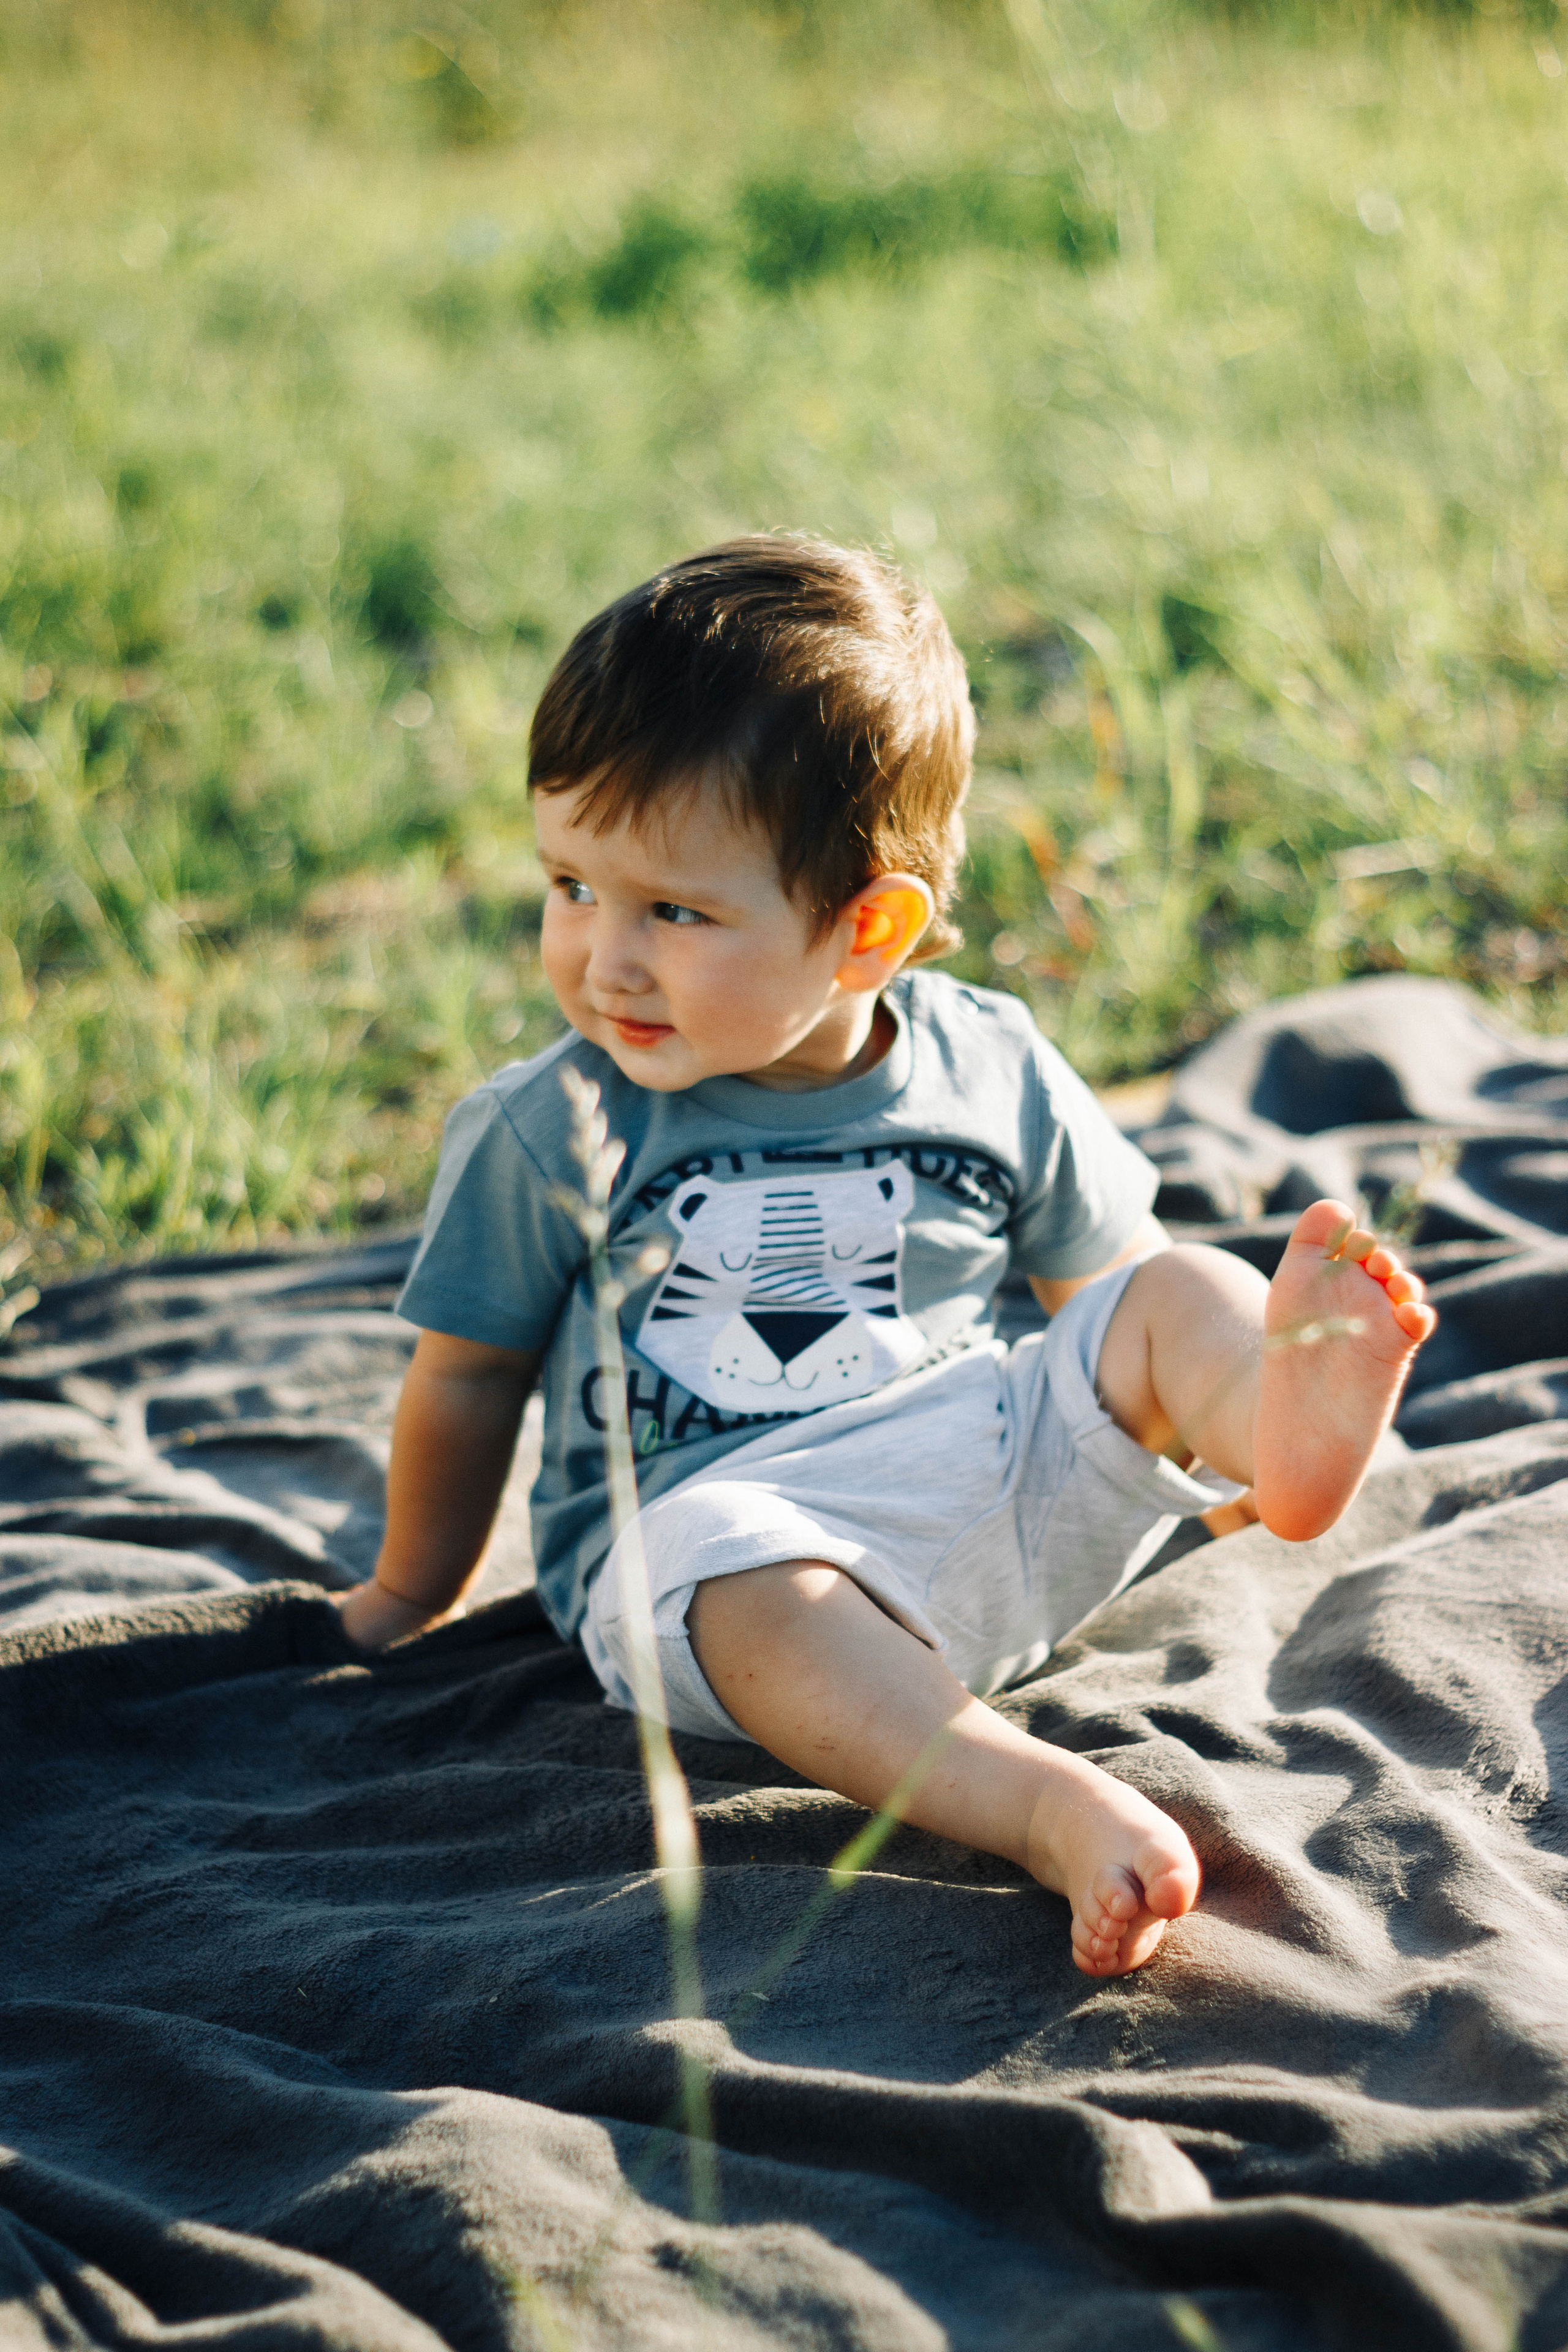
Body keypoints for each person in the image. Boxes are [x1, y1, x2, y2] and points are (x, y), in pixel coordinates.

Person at [336, 535, 1436, 1977]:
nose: (604, 958)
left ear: (867, 931)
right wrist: (409, 1591)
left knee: (1176, 1288)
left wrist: (1170, 1388)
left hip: (980, 1485)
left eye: (672, 911)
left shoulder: (987, 1063)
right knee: (743, 1581)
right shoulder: (545, 1129)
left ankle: (1277, 1453)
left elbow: (1097, 1300)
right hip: (720, 1540)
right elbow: (468, 1378)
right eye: (569, 885)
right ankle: (1030, 1800)